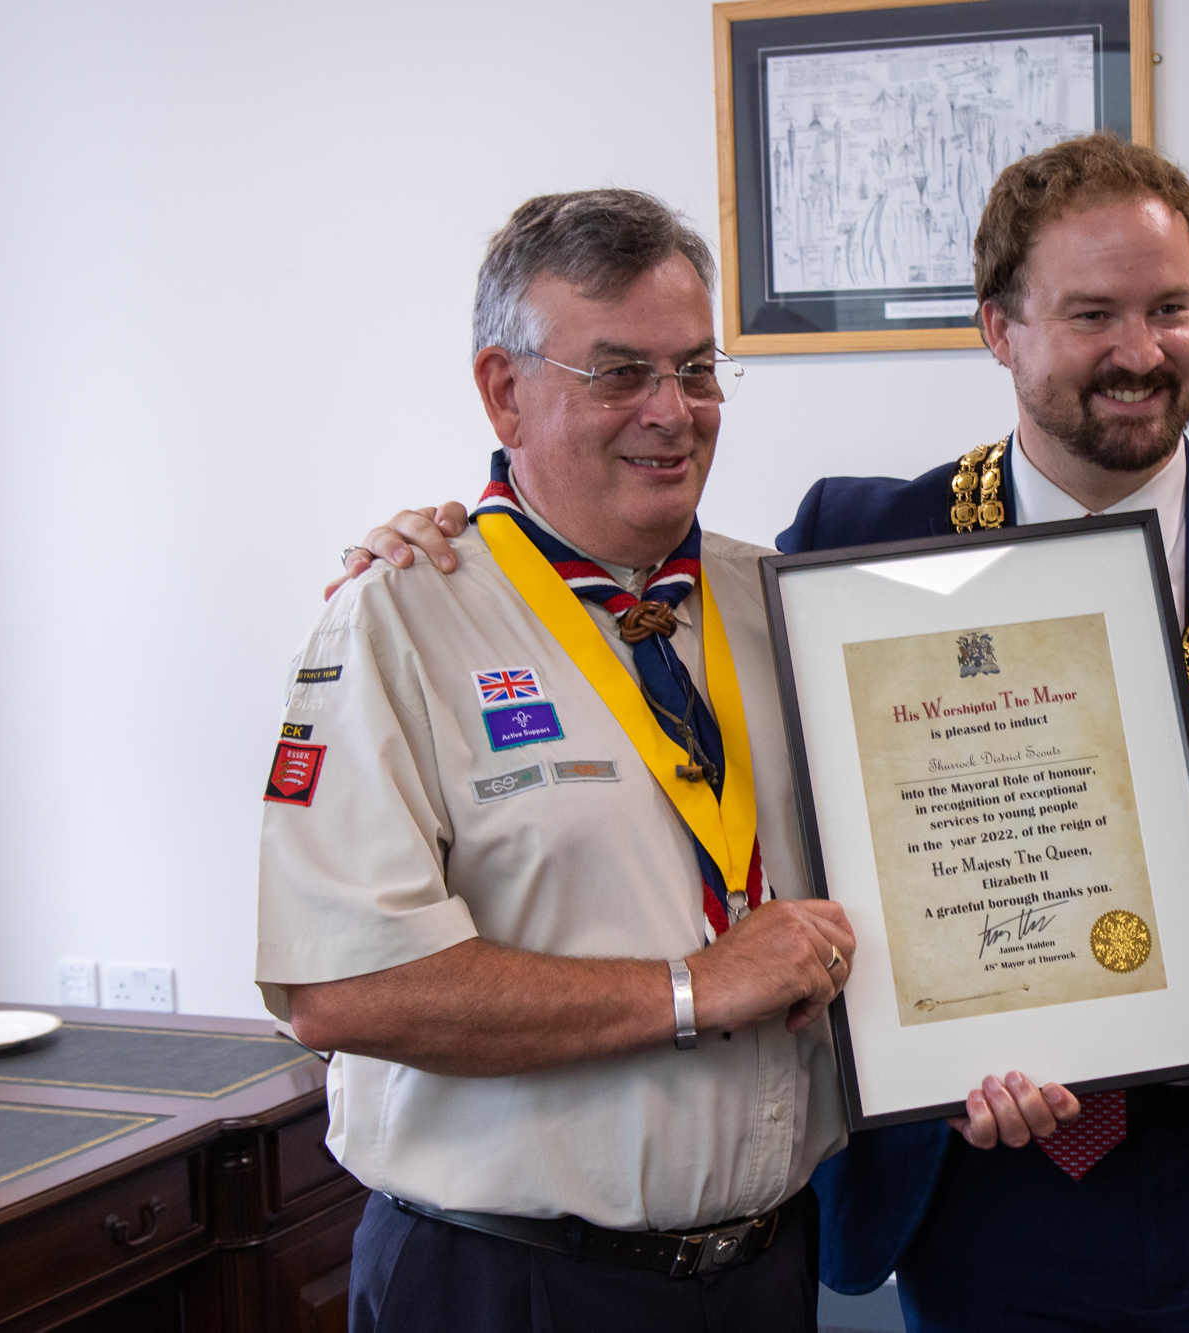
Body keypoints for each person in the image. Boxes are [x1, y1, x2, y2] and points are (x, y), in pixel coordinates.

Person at [336, 136, 1189, 1333]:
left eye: (1170, 308)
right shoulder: (855, 542)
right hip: (984, 1194)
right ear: (997, 327)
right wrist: (455, 539)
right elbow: (635, 599)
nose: (1138, 352)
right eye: (1091, 312)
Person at [258, 188, 871, 1332]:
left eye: (696, 369)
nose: (671, 412)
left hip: (764, 1274)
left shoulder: (786, 606)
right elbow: (339, 985)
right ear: (504, 391)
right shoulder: (397, 620)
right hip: (506, 1285)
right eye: (619, 373)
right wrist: (696, 987)